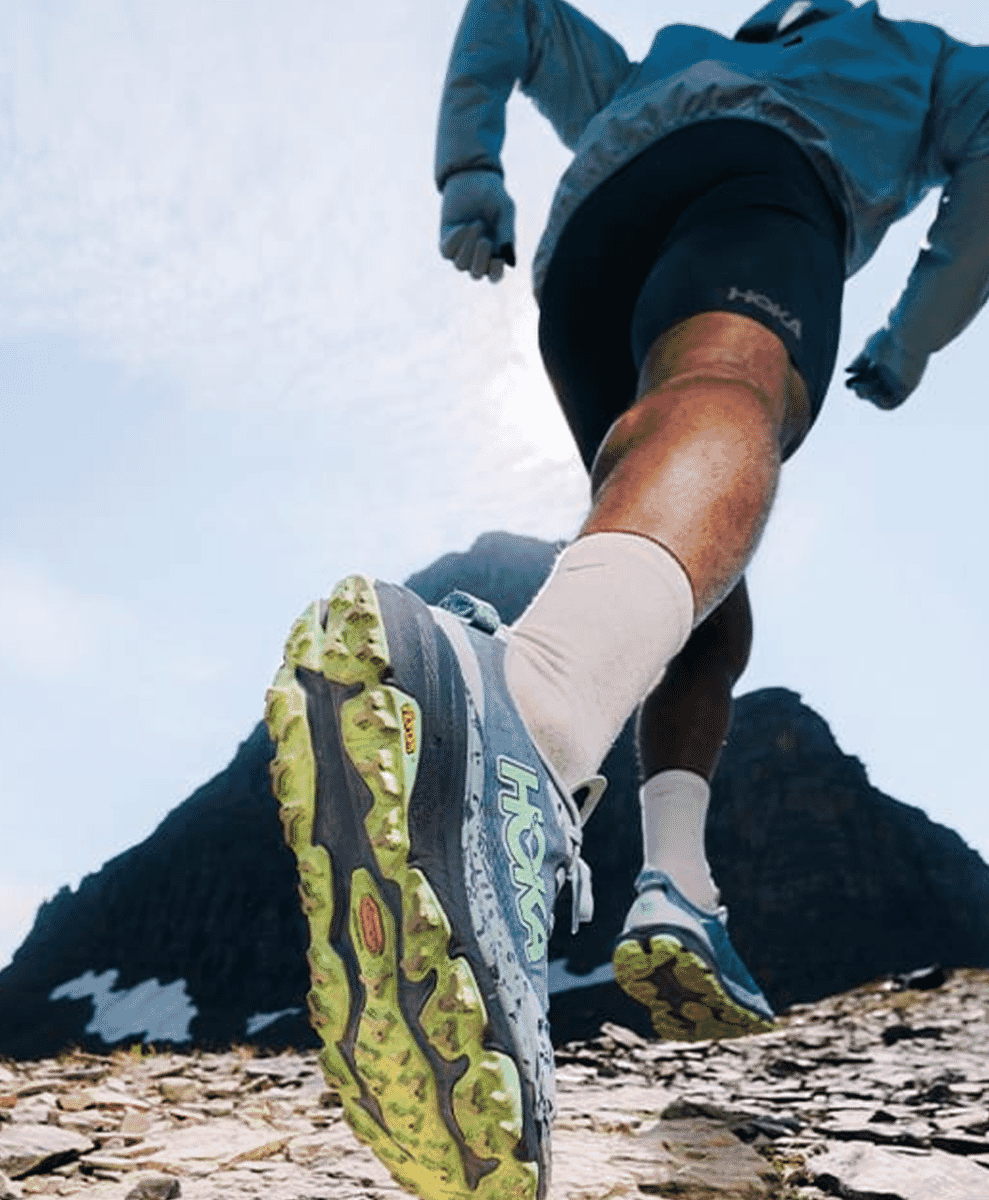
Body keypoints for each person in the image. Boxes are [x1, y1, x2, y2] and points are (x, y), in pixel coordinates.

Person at [264, 2, 989, 1198]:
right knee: (724, 393)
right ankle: (525, 722)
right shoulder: (918, 56)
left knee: (675, 536)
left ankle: (676, 888)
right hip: (769, 184)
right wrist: (911, 338)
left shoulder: (666, 56)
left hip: (589, 241)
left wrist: (470, 175)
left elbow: (512, 12)